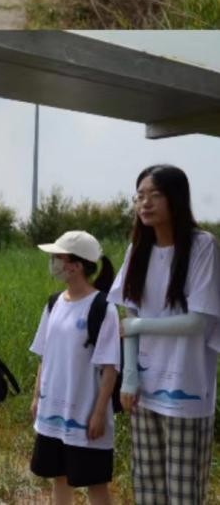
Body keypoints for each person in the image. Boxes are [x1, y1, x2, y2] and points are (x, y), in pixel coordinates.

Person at [110, 165, 218, 505]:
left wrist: (140, 326)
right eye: (140, 196)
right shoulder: (137, 250)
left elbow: (197, 322)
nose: (145, 203)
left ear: (176, 199)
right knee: (148, 488)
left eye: (155, 195)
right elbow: (129, 316)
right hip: (144, 389)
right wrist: (129, 378)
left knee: (184, 493)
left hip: (186, 390)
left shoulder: (202, 246)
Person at [29, 231, 119, 505]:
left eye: (58, 257)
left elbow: (110, 368)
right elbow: (45, 356)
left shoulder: (103, 308)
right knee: (59, 477)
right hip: (53, 411)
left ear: (77, 265)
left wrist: (99, 413)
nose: (53, 263)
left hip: (84, 412)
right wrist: (36, 397)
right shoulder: (54, 303)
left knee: (95, 482)